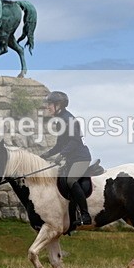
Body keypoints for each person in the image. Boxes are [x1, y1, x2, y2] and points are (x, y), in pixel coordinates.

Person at [41, 91, 92, 226]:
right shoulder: (60, 121)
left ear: (58, 105)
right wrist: (46, 155)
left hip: (81, 158)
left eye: (50, 104)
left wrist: (61, 155)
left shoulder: (69, 119)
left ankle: (85, 215)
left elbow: (74, 141)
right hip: (71, 159)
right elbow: (60, 144)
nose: (48, 107)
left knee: (70, 180)